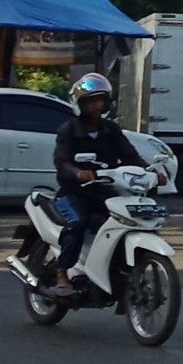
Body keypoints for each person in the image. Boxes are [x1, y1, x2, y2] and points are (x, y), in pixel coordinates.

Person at [49, 72, 147, 296]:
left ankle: (111, 271)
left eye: (100, 100)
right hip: (73, 193)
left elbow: (130, 155)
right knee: (78, 222)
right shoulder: (69, 130)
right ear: (80, 104)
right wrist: (78, 173)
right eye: (91, 101)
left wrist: (150, 172)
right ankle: (61, 271)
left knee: (122, 223)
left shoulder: (111, 129)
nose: (96, 105)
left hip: (105, 193)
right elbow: (61, 162)